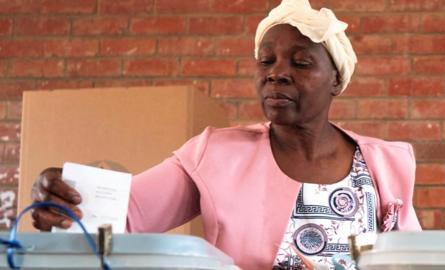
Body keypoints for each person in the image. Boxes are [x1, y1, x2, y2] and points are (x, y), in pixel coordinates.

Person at [30, 0, 421, 269]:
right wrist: (64, 195)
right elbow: (123, 214)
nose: (276, 72)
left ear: (336, 80)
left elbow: (415, 258)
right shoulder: (215, 155)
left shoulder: (382, 164)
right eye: (265, 60)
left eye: (300, 62)